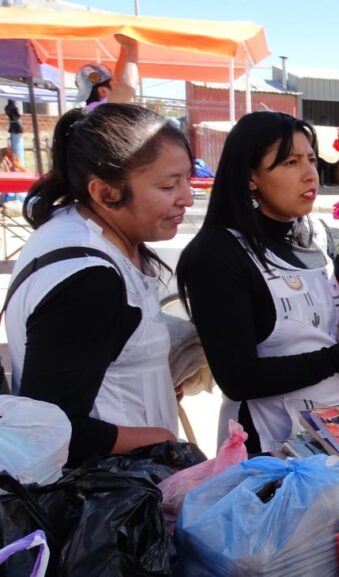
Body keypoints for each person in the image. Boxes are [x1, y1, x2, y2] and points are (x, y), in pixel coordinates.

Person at [176, 111, 339, 454]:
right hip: (269, 445)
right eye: (290, 162)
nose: (310, 174)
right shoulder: (218, 253)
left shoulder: (317, 234)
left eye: (311, 160)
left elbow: (332, 326)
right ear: (251, 177)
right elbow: (239, 378)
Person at [7, 104, 193, 466]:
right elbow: (49, 431)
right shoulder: (89, 280)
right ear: (106, 193)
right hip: (107, 486)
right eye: (168, 185)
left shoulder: (71, 225)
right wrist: (162, 439)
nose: (186, 197)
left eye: (187, 179)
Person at [75, 34, 139, 110]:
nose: (118, 87)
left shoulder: (89, 110)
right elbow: (127, 89)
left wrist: (126, 47)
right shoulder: (100, 108)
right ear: (103, 91)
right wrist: (131, 47)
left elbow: (121, 81)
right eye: (115, 84)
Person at [5, 99, 23, 167]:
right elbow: (18, 116)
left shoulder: (7, 108)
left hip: (12, 126)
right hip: (16, 126)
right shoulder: (14, 108)